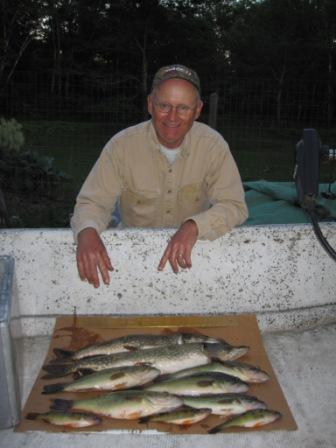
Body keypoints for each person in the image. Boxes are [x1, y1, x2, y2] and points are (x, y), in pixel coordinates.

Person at [71, 64, 248, 288]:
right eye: (164, 105)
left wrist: (194, 226)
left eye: (183, 108)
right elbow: (93, 202)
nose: (172, 117)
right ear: (150, 105)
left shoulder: (214, 146)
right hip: (132, 258)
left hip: (194, 256)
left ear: (198, 110)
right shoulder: (121, 147)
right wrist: (87, 232)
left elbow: (235, 205)